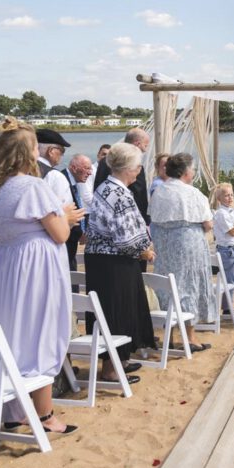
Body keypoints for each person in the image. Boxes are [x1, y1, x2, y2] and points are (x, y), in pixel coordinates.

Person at [0, 118, 83, 434]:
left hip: (9, 263)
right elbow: (61, 234)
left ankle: (12, 411)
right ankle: (44, 413)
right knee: (42, 330)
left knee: (14, 332)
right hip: (38, 264)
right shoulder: (34, 186)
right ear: (28, 152)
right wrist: (65, 216)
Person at [85, 142, 155, 378]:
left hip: (101, 261)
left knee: (111, 311)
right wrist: (145, 251)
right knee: (117, 311)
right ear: (128, 168)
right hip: (114, 262)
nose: (139, 170)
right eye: (137, 166)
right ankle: (112, 368)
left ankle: (118, 361)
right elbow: (126, 238)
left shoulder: (105, 187)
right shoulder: (118, 193)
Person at [150, 153, 214, 351]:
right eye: (193, 169)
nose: (193, 172)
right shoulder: (193, 193)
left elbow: (152, 217)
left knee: (167, 284)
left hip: (164, 243)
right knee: (188, 285)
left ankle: (168, 335)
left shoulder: (159, 191)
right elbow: (208, 223)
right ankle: (191, 337)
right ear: (186, 171)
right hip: (188, 244)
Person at [95, 128, 150, 226]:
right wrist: (145, 220)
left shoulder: (104, 160)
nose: (145, 150)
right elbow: (139, 194)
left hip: (103, 216)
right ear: (137, 144)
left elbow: (97, 185)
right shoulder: (134, 164)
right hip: (127, 218)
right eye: (145, 146)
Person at [62, 153, 93, 271]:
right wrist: (79, 233)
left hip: (72, 239)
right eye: (87, 168)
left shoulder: (74, 181)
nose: (90, 173)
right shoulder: (62, 180)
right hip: (65, 239)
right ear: (74, 168)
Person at [36, 128, 74, 206]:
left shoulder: (18, 169)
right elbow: (63, 210)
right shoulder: (55, 176)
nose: (62, 155)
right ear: (51, 151)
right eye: (62, 150)